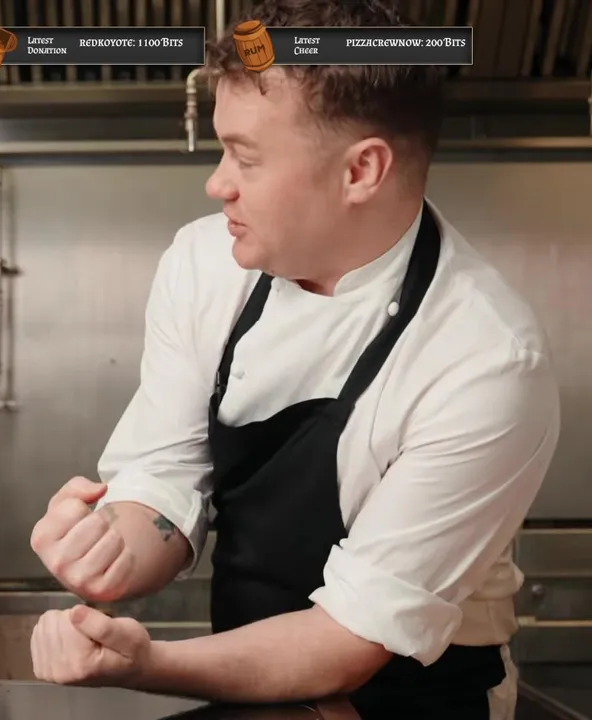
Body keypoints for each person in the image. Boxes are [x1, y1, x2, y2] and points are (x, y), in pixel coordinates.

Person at [27, 2, 559, 718]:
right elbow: (166, 475)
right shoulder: (205, 263)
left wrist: (146, 663)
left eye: (245, 157)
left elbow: (350, 637)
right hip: (252, 683)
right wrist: (112, 550)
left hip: (423, 694)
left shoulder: (485, 359)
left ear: (362, 170)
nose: (218, 183)